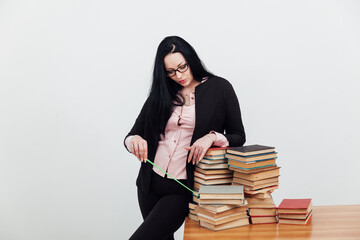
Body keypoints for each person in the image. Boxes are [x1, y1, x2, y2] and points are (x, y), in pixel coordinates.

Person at [124, 36, 245, 240]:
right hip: (148, 184)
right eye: (170, 72)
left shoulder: (220, 89)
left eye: (182, 67)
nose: (178, 75)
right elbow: (132, 134)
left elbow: (238, 136)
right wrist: (134, 140)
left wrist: (211, 138)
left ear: (191, 60)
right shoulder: (161, 93)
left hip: (182, 187)